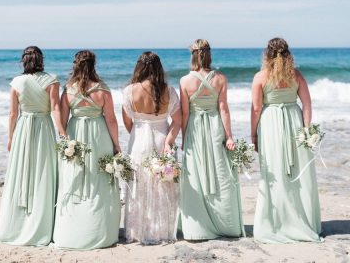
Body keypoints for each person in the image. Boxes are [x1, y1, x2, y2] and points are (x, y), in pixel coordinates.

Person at [251, 37, 321, 243]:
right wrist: (307, 131)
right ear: (288, 54)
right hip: (294, 123)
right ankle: (302, 222)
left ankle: (276, 223)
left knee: (275, 173)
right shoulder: (296, 75)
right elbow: (307, 104)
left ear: (267, 55)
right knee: (299, 174)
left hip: (271, 124)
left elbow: (256, 109)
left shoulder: (260, 77)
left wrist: (253, 134)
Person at [0, 46, 66, 245]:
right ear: (41, 60)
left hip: (23, 129)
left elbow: (12, 114)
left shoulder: (17, 82)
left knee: (21, 174)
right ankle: (42, 225)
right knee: (44, 172)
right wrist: (62, 131)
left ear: (24, 61)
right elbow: (55, 108)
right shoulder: (51, 79)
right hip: (44, 128)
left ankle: (17, 225)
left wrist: (10, 138)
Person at [53, 50, 121, 250]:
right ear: (93, 65)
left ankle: (72, 231)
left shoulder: (68, 90)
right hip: (99, 136)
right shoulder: (103, 90)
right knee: (99, 180)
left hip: (76, 136)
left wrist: (66, 140)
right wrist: (117, 144)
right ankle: (101, 230)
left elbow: (63, 120)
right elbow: (111, 119)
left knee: (75, 179)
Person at [179, 39, 245, 240]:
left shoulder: (185, 81)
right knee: (220, 172)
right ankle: (226, 223)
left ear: (193, 55)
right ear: (208, 55)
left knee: (196, 173)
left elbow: (184, 113)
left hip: (195, 128)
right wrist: (229, 136)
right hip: (215, 125)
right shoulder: (220, 78)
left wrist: (184, 138)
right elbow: (223, 108)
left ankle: (198, 227)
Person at [122, 51, 182, 244]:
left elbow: (127, 121)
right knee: (162, 185)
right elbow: (177, 121)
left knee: (139, 185)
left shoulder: (130, 91)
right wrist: (168, 143)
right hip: (161, 138)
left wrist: (138, 133)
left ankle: (139, 232)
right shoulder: (169, 90)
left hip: (138, 140)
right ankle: (161, 231)